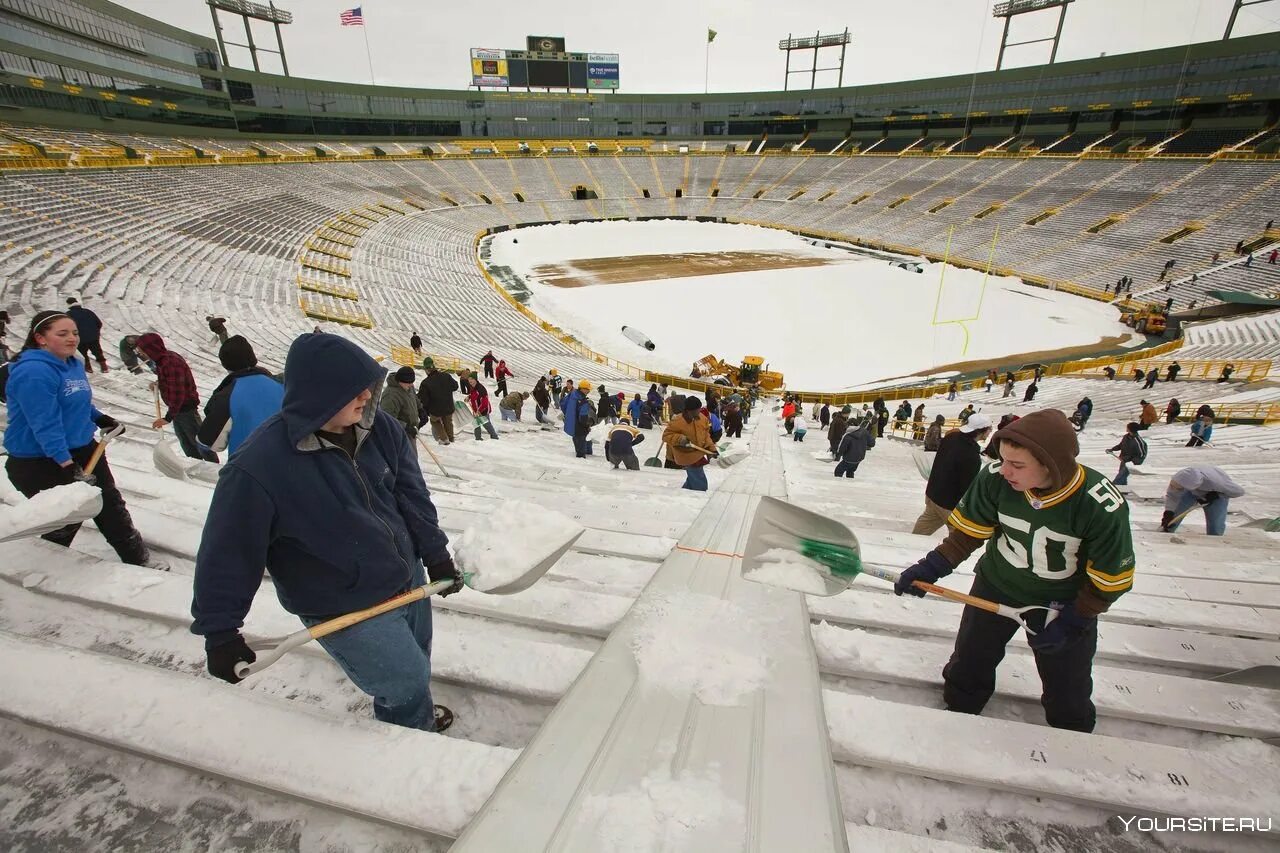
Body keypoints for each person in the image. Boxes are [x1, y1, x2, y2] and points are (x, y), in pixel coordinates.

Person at [190, 333, 460, 732]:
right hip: (341, 598)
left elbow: (411, 494)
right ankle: (409, 739)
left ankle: (410, 717)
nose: (368, 397)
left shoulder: (380, 429)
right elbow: (228, 549)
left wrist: (435, 553)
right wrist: (220, 631)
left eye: (369, 386)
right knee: (403, 680)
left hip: (406, 575)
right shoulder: (258, 466)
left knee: (416, 662)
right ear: (320, 395)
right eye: (355, 391)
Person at [894, 409, 1136, 733]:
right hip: (997, 583)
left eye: (1017, 465)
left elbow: (1110, 577)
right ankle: (959, 712)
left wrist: (1076, 619)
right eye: (1004, 459)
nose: (1005, 470)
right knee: (969, 661)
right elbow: (967, 534)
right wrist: (931, 568)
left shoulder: (1098, 503)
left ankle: (1072, 739)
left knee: (1068, 686)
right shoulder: (995, 478)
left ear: (1052, 465)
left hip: (1060, 603)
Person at [4, 310, 164, 569]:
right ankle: (45, 567)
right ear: (40, 338)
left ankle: (137, 558)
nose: (72, 339)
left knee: (110, 503)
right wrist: (66, 465)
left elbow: (77, 402)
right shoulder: (33, 372)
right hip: (40, 459)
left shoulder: (72, 363)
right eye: (63, 333)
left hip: (83, 448)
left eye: (75, 333)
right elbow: (44, 423)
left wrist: (100, 418)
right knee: (66, 517)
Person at [136, 333, 219, 463]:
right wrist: (159, 384)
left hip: (185, 410)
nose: (141, 353)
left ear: (150, 349)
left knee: (199, 442)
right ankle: (196, 466)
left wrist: (167, 418)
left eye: (142, 351)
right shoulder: (162, 361)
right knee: (186, 443)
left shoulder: (171, 363)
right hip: (177, 410)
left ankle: (213, 469)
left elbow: (178, 393)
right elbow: (170, 381)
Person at [198, 335, 284, 456]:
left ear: (226, 365)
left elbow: (207, 442)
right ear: (252, 357)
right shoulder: (281, 385)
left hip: (248, 468)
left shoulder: (226, 397)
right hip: (290, 464)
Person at [911, 413, 992, 535]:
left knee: (926, 523)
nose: (990, 432)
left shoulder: (951, 437)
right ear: (983, 431)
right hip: (949, 504)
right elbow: (967, 486)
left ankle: (911, 542)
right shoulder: (971, 454)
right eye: (989, 429)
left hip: (933, 493)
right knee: (959, 536)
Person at [1160, 465, 1244, 536]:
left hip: (1216, 495)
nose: (1175, 488)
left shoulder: (1217, 482)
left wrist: (1216, 495)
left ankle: (1215, 540)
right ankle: (1167, 530)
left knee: (1216, 525)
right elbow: (1173, 496)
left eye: (1180, 488)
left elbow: (1239, 491)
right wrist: (1169, 512)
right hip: (1190, 491)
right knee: (1174, 516)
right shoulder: (1179, 478)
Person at [662, 396, 716, 491]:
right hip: (685, 454)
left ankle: (683, 493)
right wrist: (680, 439)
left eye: (699, 410)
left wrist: (712, 450)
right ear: (688, 410)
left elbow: (706, 436)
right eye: (695, 411)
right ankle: (698, 496)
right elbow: (666, 435)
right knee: (700, 483)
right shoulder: (678, 421)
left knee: (692, 481)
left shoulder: (702, 419)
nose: (698, 413)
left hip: (698, 453)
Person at [417, 359, 458, 445]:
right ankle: (451, 439)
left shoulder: (425, 383)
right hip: (448, 406)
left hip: (435, 410)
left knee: (435, 421)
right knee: (448, 422)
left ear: (427, 370)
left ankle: (444, 439)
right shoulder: (446, 376)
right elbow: (455, 386)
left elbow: (423, 399)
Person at [65, 297, 107, 373]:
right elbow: (99, 323)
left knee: (83, 354)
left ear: (68, 305)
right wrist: (95, 332)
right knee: (97, 352)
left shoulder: (68, 315)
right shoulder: (88, 311)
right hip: (93, 337)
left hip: (80, 339)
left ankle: (88, 369)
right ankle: (104, 368)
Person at [380, 366, 421, 437]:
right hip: (400, 434)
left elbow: (414, 397)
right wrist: (406, 428)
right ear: (400, 381)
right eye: (409, 382)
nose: (411, 385)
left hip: (411, 431)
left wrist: (420, 409)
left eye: (412, 382)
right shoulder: (390, 396)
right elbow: (387, 419)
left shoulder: (408, 386)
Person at [1108, 423, 1147, 487]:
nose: (1126, 428)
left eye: (1127, 427)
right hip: (1124, 460)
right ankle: (1123, 490)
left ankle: (1113, 488)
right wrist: (1112, 449)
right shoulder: (1126, 436)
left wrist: (1133, 462)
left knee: (1120, 476)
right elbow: (1121, 445)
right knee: (1122, 476)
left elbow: (1142, 454)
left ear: (1131, 429)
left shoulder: (1138, 441)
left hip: (1131, 462)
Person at [563, 380, 594, 458]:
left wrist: (568, 415)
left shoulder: (572, 394)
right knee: (581, 452)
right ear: (582, 389)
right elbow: (583, 418)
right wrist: (588, 425)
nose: (589, 391)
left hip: (572, 424)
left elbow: (563, 404)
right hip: (580, 428)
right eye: (587, 389)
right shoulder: (583, 401)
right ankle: (581, 460)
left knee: (576, 441)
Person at [465, 374, 499, 440]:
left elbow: (485, 403)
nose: (470, 381)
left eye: (472, 379)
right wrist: (469, 397)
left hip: (483, 410)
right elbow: (473, 395)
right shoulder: (472, 387)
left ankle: (494, 437)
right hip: (475, 410)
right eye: (469, 379)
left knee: (486, 424)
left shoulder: (481, 389)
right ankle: (478, 438)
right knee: (476, 424)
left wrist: (479, 411)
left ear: (475, 379)